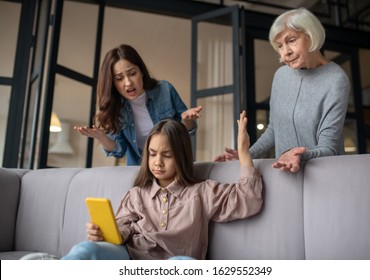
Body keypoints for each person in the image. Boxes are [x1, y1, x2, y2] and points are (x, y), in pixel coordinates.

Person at [22, 112, 263, 260]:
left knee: (186, 266)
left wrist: (243, 152)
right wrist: (105, 234)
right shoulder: (137, 194)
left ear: (181, 156)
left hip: (175, 264)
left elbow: (248, 200)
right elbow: (122, 231)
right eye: (152, 154)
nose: (157, 162)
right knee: (85, 250)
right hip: (129, 258)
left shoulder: (202, 192)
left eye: (167, 155)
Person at [214, 7, 350, 173]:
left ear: (311, 36)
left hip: (324, 174)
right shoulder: (281, 76)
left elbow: (329, 147)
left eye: (291, 40)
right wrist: (245, 154)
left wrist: (299, 155)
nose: (286, 52)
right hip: (286, 174)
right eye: (280, 46)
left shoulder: (336, 79)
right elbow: (274, 129)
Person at [74, 44, 202, 165]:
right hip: (140, 171)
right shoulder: (115, 107)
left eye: (132, 73)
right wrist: (102, 137)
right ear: (112, 83)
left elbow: (187, 133)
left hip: (174, 165)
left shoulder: (165, 89)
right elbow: (119, 150)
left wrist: (186, 120)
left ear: (141, 71)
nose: (128, 83)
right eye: (119, 78)